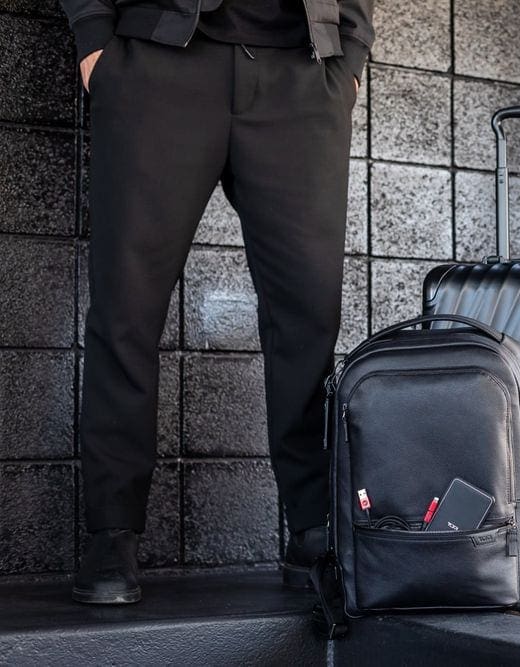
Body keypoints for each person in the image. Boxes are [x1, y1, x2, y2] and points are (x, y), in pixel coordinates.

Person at [57, 0, 375, 604]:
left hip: (304, 74)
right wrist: (94, 39)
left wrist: (350, 53)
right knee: (127, 306)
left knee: (309, 313)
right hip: (159, 63)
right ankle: (111, 531)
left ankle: (312, 523)